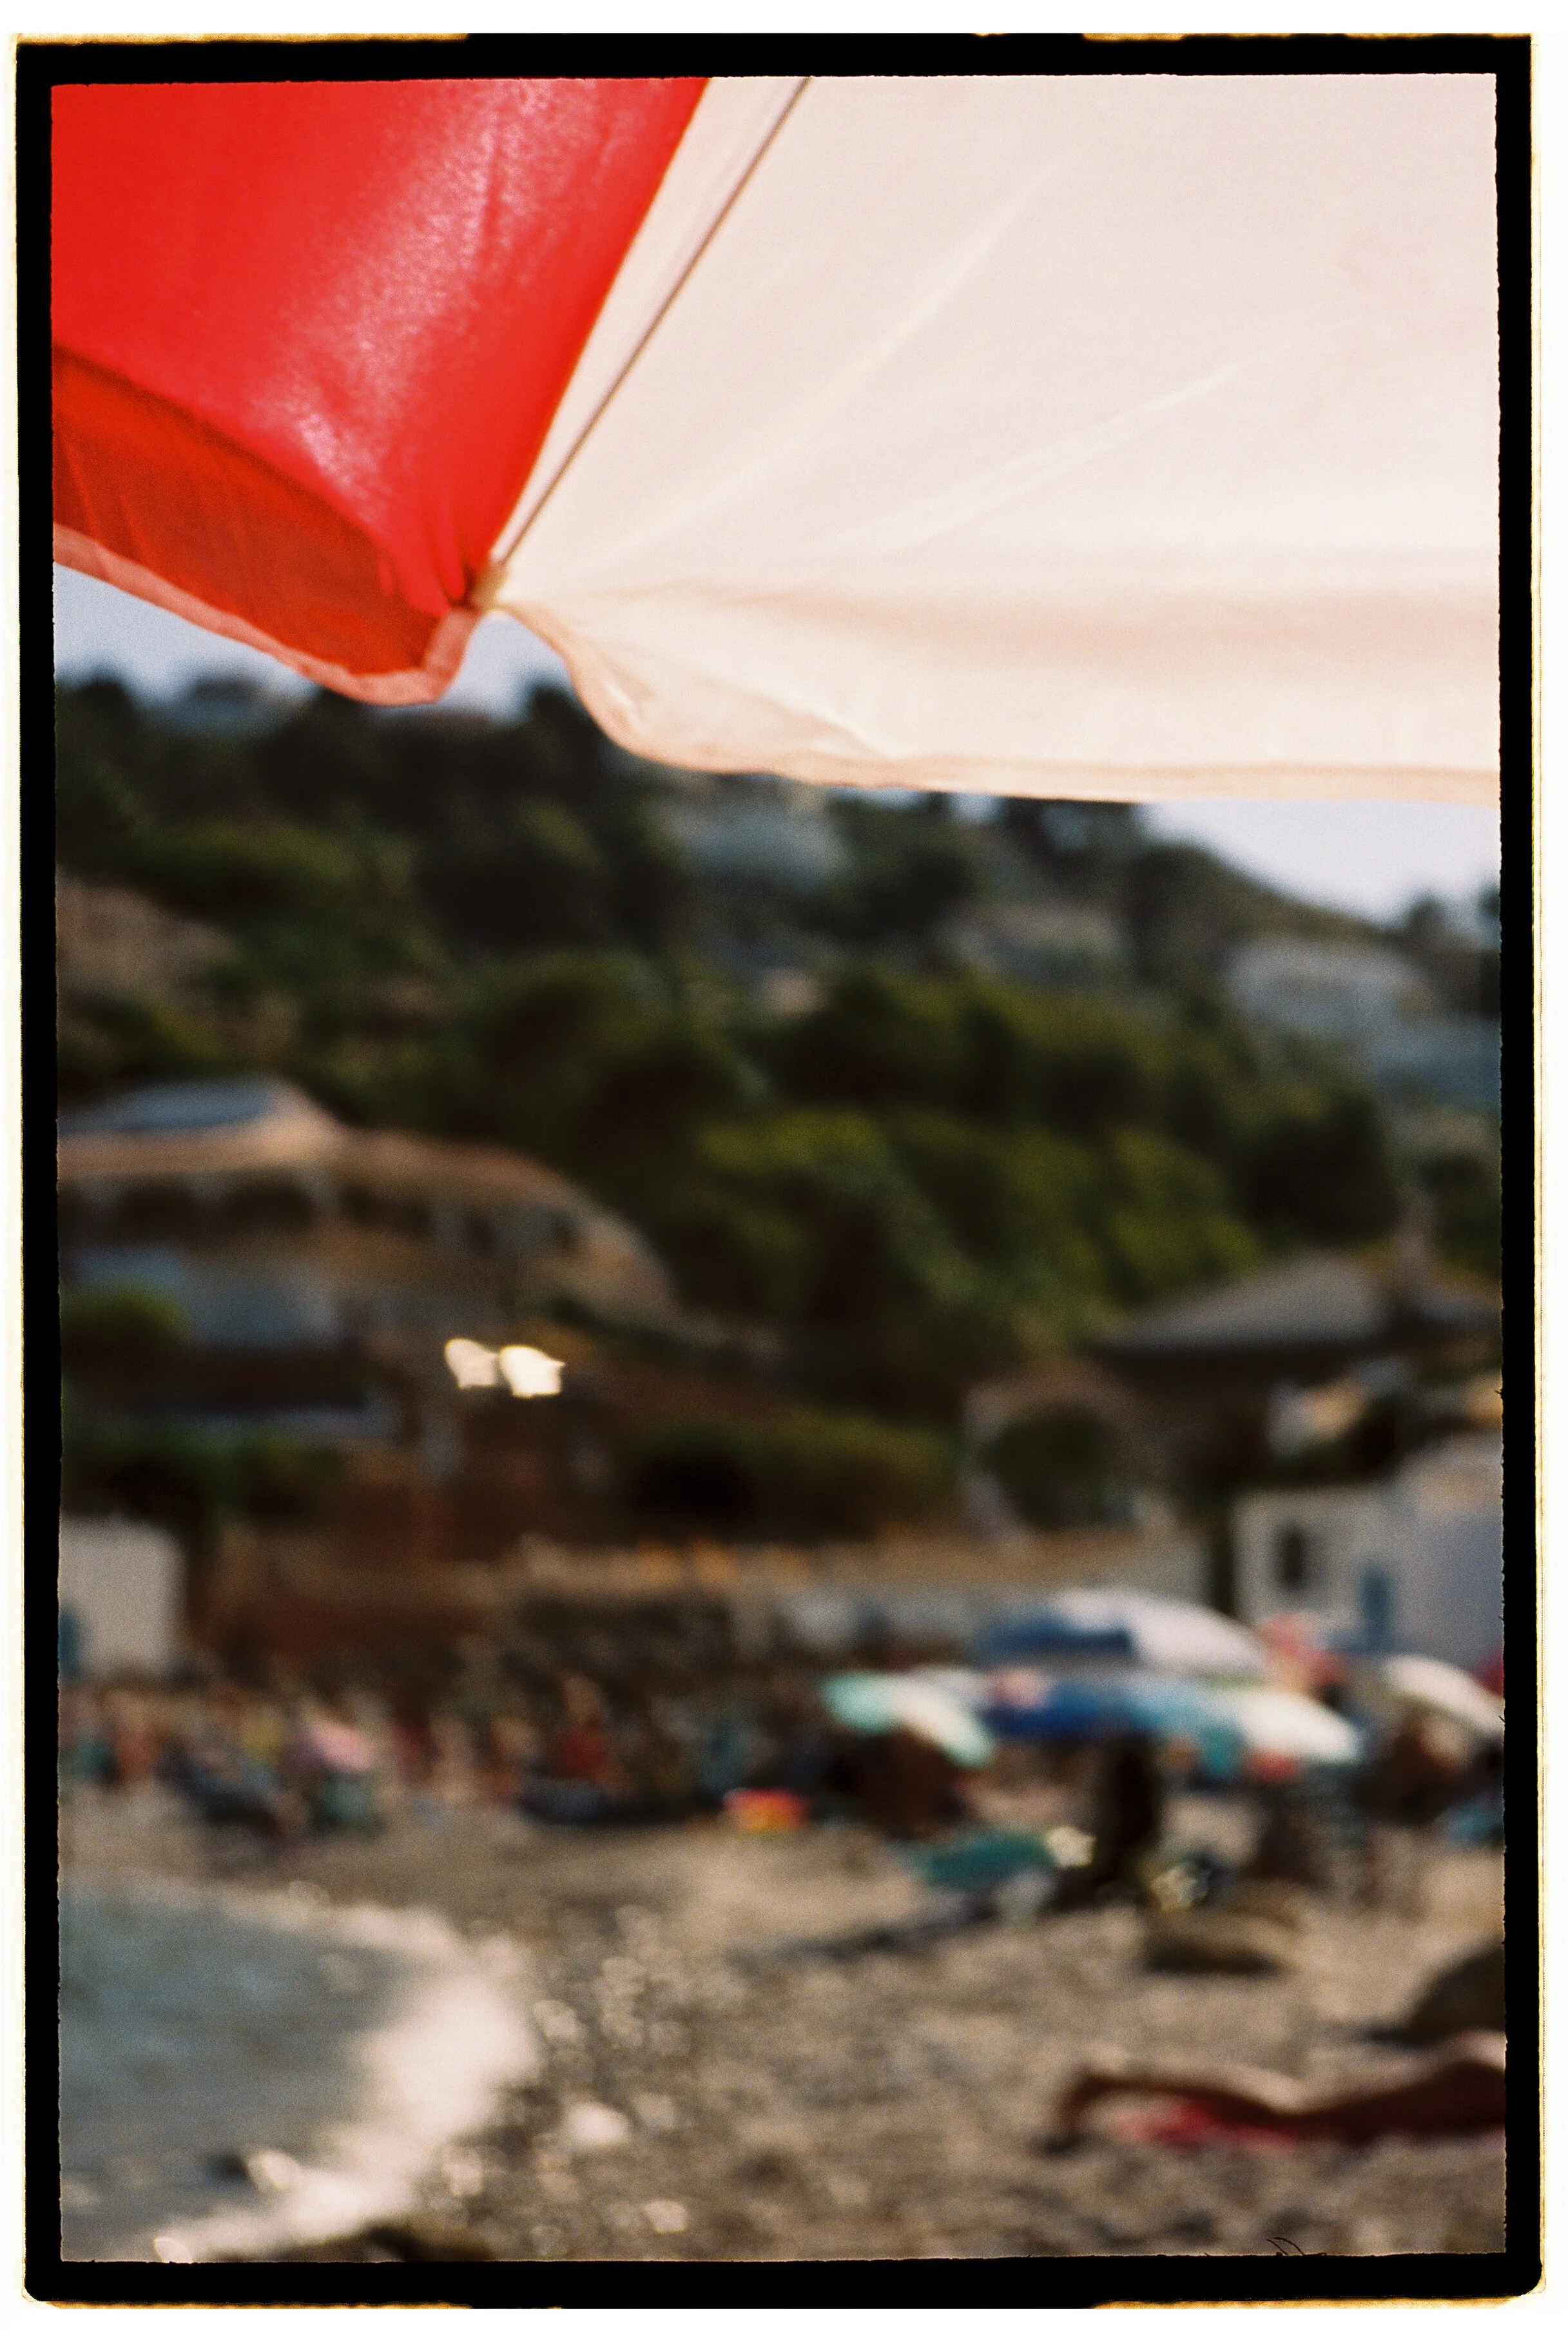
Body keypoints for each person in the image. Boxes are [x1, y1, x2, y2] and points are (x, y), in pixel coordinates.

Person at [1053, 2030, 1506, 2145]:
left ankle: (1118, 2076)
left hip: (1491, 2069)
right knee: (1300, 2110)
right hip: (1492, 2074)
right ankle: (1115, 2076)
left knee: (1306, 2106)